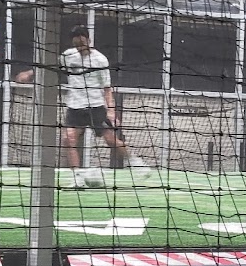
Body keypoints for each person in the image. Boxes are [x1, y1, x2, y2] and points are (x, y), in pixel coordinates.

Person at [13, 24, 146, 186]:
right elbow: (50, 66)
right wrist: (29, 73)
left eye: (82, 43)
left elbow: (107, 88)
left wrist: (111, 111)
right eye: (76, 44)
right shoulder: (68, 56)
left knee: (111, 140)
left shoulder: (100, 60)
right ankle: (77, 178)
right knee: (68, 140)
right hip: (74, 107)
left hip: (96, 107)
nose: (79, 47)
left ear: (88, 40)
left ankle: (134, 162)